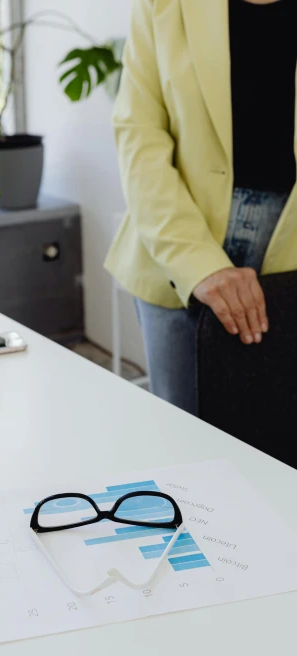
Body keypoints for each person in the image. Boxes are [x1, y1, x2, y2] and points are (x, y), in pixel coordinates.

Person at [105, 0, 297, 415]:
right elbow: (138, 136)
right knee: (187, 451)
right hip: (177, 243)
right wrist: (198, 263)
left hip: (291, 248)